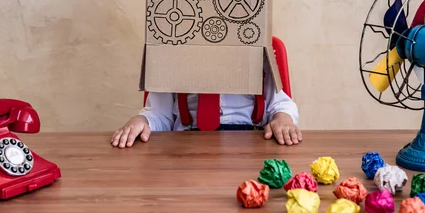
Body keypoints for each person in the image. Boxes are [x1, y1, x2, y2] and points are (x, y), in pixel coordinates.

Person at [111, 68, 301, 148]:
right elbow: (159, 114)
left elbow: (281, 103)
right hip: (188, 147)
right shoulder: (172, 62)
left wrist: (282, 118)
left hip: (249, 145)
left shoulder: (260, 60)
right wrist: (142, 120)